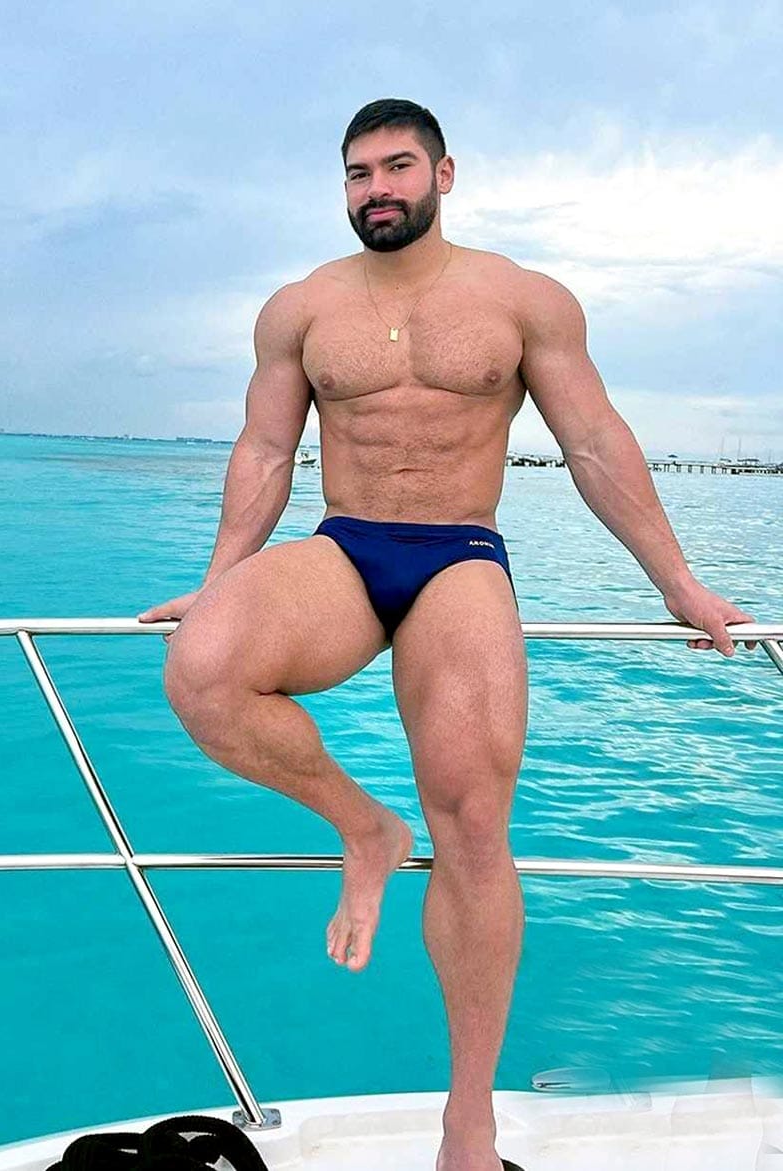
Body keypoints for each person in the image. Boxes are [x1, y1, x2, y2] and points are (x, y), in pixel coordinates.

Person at [138, 98, 757, 1171]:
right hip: (344, 547)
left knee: (471, 818)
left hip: (458, 554)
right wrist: (218, 582)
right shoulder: (299, 307)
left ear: (444, 173)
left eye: (396, 167)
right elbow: (266, 449)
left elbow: (593, 442)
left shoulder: (521, 299)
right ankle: (363, 829)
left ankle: (467, 1119)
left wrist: (679, 583)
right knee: (203, 669)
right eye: (357, 173)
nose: (375, 188)